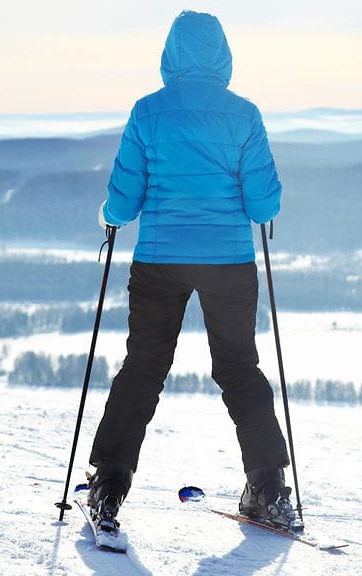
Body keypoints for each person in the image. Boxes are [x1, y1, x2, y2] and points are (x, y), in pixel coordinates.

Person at [87, 10, 296, 532]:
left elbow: (124, 200)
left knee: (144, 367)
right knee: (238, 368)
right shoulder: (244, 114)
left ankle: (109, 486)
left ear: (170, 55)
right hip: (228, 262)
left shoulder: (148, 112)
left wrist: (107, 218)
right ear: (223, 56)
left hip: (161, 259)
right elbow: (264, 204)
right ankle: (268, 488)